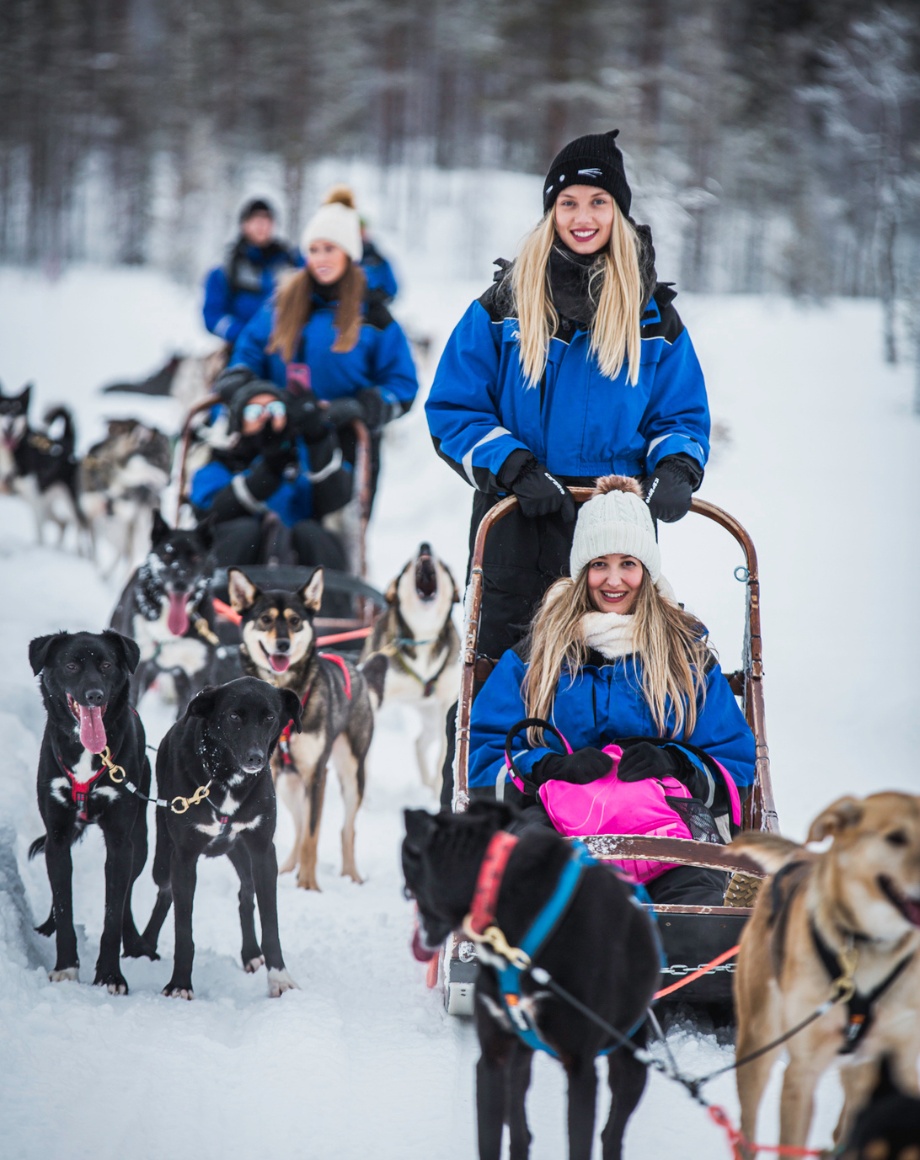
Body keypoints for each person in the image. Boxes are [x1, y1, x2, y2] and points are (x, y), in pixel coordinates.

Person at [426, 129, 711, 661]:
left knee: (610, 686)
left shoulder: (654, 318)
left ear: (619, 212)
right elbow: (454, 409)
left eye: (599, 202)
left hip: (614, 528)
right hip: (520, 516)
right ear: (551, 211)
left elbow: (680, 416)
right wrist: (513, 467)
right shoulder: (502, 307)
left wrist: (675, 469)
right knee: (503, 681)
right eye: (569, 202)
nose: (584, 216)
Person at [468, 475, 755, 905]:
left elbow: (733, 760)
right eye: (599, 564)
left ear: (647, 570)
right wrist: (546, 770)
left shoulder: (686, 657)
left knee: (697, 897)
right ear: (582, 571)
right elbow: (483, 755)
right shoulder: (537, 655)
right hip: (553, 823)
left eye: (628, 564)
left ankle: (690, 960)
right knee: (536, 879)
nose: (614, 580)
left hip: (665, 823)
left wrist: (677, 762)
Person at [222, 187, 418, 507]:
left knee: (331, 542)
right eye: (313, 249)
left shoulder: (373, 314)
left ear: (350, 253)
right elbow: (251, 349)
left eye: (330, 248)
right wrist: (241, 376)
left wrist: (365, 405)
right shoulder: (281, 303)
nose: (321, 259)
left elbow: (402, 384)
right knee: (270, 534)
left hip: (345, 441)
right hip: (277, 432)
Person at [189, 379, 351, 576]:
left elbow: (335, 498)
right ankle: (219, 600)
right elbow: (211, 511)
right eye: (254, 411)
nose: (266, 416)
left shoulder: (302, 463)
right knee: (243, 531)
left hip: (299, 563)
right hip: (241, 562)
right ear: (239, 421)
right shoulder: (221, 465)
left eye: (275, 409)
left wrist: (318, 441)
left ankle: (332, 601)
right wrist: (267, 473)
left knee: (311, 533)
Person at [202, 198, 300, 346]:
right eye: (255, 219)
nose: (261, 225)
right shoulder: (226, 268)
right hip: (241, 347)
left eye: (267, 219)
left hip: (285, 347)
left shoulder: (290, 261)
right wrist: (242, 333)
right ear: (244, 224)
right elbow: (213, 316)